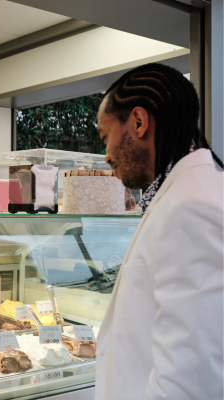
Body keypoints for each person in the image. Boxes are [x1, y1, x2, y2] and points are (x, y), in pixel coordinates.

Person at [95, 63, 223, 399]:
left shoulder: (191, 206)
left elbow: (190, 381)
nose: (106, 156)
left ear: (138, 122)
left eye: (106, 137)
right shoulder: (183, 193)